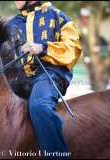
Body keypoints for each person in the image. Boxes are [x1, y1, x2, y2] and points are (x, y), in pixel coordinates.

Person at [6, 1, 82, 158]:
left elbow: (73, 50)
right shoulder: (10, 24)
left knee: (39, 106)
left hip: (49, 74)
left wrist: (43, 48)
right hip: (18, 80)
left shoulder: (58, 16)